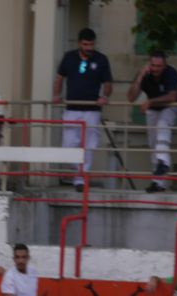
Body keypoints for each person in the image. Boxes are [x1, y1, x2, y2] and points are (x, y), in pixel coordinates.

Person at [53, 27, 113, 192]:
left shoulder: (101, 59)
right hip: (72, 108)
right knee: (69, 143)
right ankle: (76, 171)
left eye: (91, 44)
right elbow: (59, 77)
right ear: (80, 43)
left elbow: (108, 83)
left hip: (92, 110)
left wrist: (105, 96)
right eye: (86, 44)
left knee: (88, 144)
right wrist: (56, 94)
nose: (89, 48)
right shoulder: (69, 57)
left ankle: (81, 177)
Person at [127, 50, 177, 193]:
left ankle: (164, 162)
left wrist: (150, 101)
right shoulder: (145, 73)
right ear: (149, 64)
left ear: (164, 66)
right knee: (153, 143)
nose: (155, 69)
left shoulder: (171, 73)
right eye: (152, 65)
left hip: (171, 106)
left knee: (162, 126)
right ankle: (158, 183)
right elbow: (131, 97)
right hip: (153, 107)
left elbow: (172, 96)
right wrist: (140, 76)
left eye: (158, 66)